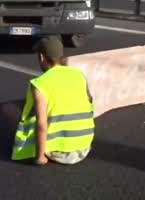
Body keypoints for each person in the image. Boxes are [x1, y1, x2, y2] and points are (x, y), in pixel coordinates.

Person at [11, 36, 94, 165]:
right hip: (84, 147)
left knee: (31, 116)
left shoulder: (40, 83)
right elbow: (89, 102)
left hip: (59, 153)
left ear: (42, 57)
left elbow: (41, 125)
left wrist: (40, 157)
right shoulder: (78, 75)